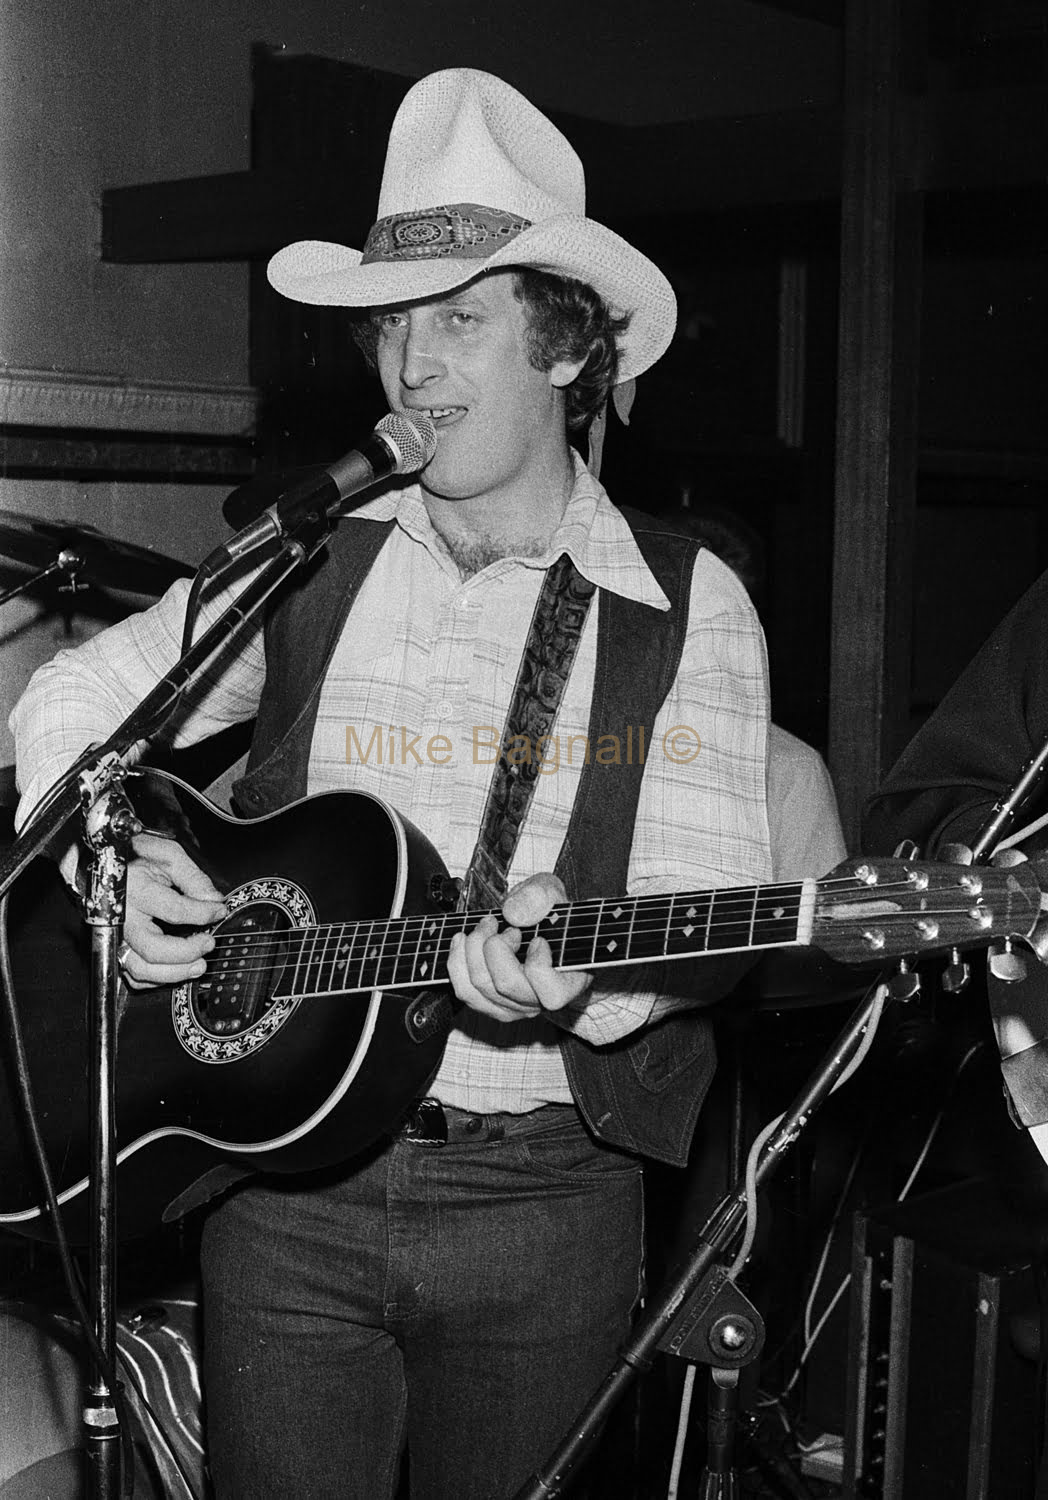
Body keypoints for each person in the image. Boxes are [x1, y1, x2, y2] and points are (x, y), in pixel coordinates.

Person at [11, 69, 771, 1499]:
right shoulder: (315, 552)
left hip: (542, 1202)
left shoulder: (685, 603)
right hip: (282, 1196)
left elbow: (699, 912)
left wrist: (587, 975)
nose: (413, 369)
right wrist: (111, 857)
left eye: (459, 319)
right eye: (392, 328)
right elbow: (70, 693)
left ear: (561, 345)